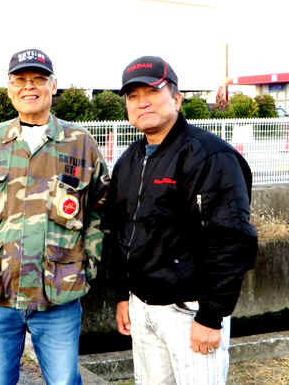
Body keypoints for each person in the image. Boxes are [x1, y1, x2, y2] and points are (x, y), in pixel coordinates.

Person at [0, 49, 108, 385]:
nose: (29, 86)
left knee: (64, 381)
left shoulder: (80, 144)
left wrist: (89, 265)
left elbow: (101, 210)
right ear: (10, 89)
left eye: (38, 79)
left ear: (53, 85)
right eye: (20, 80)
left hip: (59, 295)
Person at [104, 56, 258, 384]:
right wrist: (122, 295)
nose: (142, 102)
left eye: (152, 91)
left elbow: (231, 240)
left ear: (176, 98)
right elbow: (118, 231)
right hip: (142, 307)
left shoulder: (210, 156)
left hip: (190, 311)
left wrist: (211, 316)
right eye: (133, 96)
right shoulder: (129, 160)